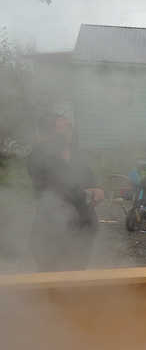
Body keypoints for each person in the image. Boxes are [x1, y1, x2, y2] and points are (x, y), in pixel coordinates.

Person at [26, 114, 104, 271]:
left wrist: (98, 191)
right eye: (62, 127)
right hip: (51, 229)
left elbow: (90, 180)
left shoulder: (78, 155)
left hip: (83, 226)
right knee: (51, 279)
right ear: (50, 132)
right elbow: (54, 188)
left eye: (70, 126)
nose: (69, 130)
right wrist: (86, 193)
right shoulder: (38, 156)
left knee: (76, 278)